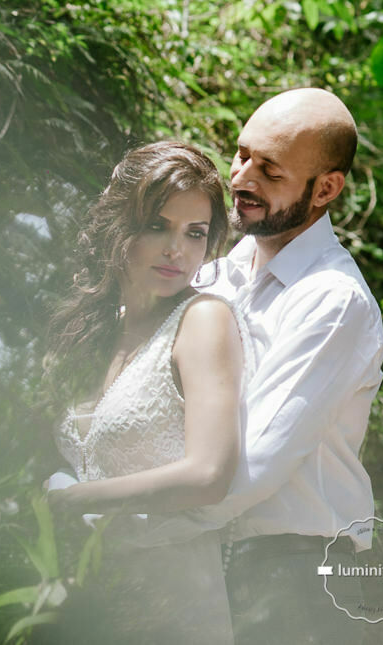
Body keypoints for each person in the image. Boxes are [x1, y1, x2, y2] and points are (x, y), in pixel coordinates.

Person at [124, 88, 383, 644]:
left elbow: (256, 463)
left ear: (327, 189)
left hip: (300, 576)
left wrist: (132, 529)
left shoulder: (333, 300)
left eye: (270, 170)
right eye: (241, 155)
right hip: (206, 566)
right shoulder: (216, 276)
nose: (241, 179)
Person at [43, 141, 253, 644]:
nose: (176, 249)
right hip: (87, 600)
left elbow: (208, 475)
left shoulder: (204, 319)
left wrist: (76, 501)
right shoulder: (95, 332)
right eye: (158, 225)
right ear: (121, 224)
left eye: (195, 233)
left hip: (171, 605)